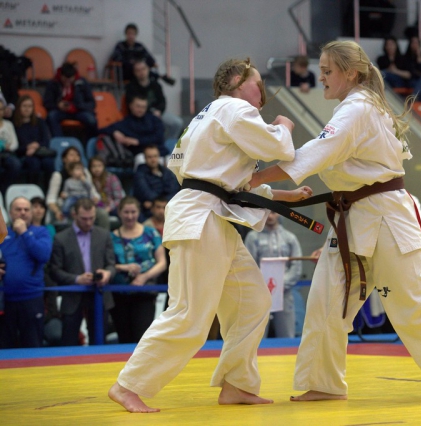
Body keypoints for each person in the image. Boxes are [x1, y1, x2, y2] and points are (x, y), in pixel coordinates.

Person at [249, 40, 421, 402]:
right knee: (326, 298)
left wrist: (252, 179)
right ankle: (323, 382)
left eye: (328, 70)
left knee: (411, 302)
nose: (321, 76)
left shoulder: (358, 108)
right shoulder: (356, 107)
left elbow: (314, 153)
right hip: (352, 217)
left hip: (385, 216)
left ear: (350, 74)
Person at [108, 57, 313, 412]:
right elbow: (280, 148)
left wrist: (283, 196)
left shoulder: (204, 117)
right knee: (190, 313)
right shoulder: (233, 108)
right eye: (258, 84)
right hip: (202, 217)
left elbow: (220, 180)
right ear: (237, 80)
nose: (262, 94)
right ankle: (129, 385)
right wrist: (284, 124)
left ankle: (237, 383)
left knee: (253, 301)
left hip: (211, 215)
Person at [49, 198, 115, 346]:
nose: (88, 222)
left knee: (99, 343)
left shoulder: (104, 235)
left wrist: (107, 274)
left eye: (92, 218)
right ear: (74, 215)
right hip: (73, 296)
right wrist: (76, 279)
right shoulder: (61, 238)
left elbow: (111, 264)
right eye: (84, 219)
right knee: (69, 342)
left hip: (99, 294)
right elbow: (54, 271)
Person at [110, 197, 166, 344]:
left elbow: (162, 263)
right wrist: (123, 267)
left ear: (139, 212)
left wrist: (144, 277)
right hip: (120, 293)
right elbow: (107, 265)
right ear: (119, 212)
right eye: (126, 212)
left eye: (133, 212)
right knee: (124, 338)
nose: (130, 216)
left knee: (142, 337)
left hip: (145, 293)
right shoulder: (111, 237)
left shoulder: (151, 233)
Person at [0, 197, 52, 348]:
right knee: (5, 347)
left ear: (31, 213)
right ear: (10, 212)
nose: (22, 213)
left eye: (26, 209)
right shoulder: (3, 234)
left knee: (32, 345)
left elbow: (44, 255)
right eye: (18, 209)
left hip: (31, 298)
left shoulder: (41, 232)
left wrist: (24, 232)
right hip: (6, 300)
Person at [245, 212, 302, 338]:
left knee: (287, 335)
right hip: (260, 294)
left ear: (279, 214)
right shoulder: (253, 237)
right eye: (267, 213)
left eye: (273, 212)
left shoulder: (289, 238)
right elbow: (248, 265)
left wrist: (281, 284)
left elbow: (296, 266)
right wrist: (261, 285)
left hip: (284, 293)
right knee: (256, 337)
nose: (270, 216)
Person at [46, 146, 106, 229]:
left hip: (86, 202)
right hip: (68, 206)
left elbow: (93, 191)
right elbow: (51, 200)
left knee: (102, 214)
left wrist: (95, 198)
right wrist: (57, 211)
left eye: (77, 155)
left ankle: (103, 237)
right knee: (76, 213)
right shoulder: (58, 176)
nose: (75, 158)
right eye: (71, 155)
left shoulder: (85, 173)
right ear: (64, 159)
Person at [125, 59, 184, 140]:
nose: (141, 72)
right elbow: (132, 105)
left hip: (158, 112)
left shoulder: (155, 85)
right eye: (138, 70)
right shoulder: (131, 87)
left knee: (177, 123)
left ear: (148, 69)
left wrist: (159, 111)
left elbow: (162, 101)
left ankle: (168, 144)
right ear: (134, 72)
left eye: (143, 69)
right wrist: (150, 113)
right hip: (142, 115)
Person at [99, 95, 166, 160]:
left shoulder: (154, 120)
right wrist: (114, 132)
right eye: (138, 106)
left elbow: (159, 137)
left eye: (143, 107)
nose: (141, 110)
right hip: (141, 156)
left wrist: (138, 141)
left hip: (160, 153)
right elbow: (101, 130)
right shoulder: (126, 122)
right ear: (131, 106)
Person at [43, 62, 97, 137]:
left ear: (74, 76)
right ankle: (59, 141)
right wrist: (58, 105)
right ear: (61, 75)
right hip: (60, 111)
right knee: (51, 116)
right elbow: (47, 103)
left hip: (79, 111)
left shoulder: (82, 83)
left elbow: (92, 103)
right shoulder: (53, 83)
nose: (67, 82)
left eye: (70, 79)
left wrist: (78, 106)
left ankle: (90, 142)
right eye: (65, 79)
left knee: (91, 120)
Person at [13, 95, 55, 186]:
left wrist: (36, 146)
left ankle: (48, 190)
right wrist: (27, 148)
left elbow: (46, 141)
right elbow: (15, 146)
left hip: (40, 152)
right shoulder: (15, 124)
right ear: (19, 107)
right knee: (34, 163)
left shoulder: (40, 122)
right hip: (24, 154)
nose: (27, 109)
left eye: (30, 106)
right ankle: (32, 189)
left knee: (49, 163)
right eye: (24, 106)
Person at [132, 145, 180, 219]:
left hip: (167, 206)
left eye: (155, 156)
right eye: (150, 157)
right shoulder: (139, 174)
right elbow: (145, 192)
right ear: (145, 158)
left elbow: (174, 190)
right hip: (147, 211)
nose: (153, 159)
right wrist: (158, 203)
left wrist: (161, 203)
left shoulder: (166, 172)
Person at [0, 98, 20, 194]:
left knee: (15, 164)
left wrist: (8, 147)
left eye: (1, 109)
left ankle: (7, 190)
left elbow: (15, 143)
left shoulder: (9, 124)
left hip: (8, 153)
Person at [404, 35, 421, 102]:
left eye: (416, 43)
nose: (415, 45)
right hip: (412, 81)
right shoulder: (406, 57)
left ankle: (414, 96)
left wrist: (419, 56)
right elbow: (410, 73)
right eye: (413, 42)